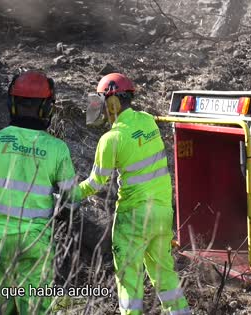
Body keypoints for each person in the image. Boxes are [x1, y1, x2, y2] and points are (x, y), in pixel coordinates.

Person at [0, 71, 80, 314]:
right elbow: (72, 200)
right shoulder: (58, 149)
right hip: (36, 244)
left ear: (12, 105)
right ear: (46, 109)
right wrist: (65, 215)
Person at [80, 73, 190, 315]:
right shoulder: (148, 121)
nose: (100, 108)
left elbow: (94, 184)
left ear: (113, 103)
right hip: (162, 214)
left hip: (133, 217)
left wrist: (67, 195)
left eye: (102, 102)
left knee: (129, 281)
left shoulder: (111, 139)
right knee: (165, 275)